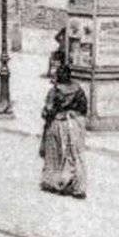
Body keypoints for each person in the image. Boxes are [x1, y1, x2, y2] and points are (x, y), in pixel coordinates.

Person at [40, 64, 88, 198]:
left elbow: (48, 111)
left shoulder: (54, 92)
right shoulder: (78, 90)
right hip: (74, 125)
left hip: (58, 123)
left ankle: (55, 182)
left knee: (54, 153)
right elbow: (84, 108)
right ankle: (78, 186)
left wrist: (46, 114)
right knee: (75, 155)